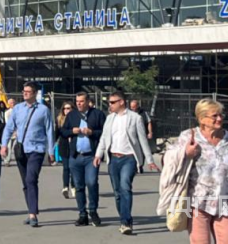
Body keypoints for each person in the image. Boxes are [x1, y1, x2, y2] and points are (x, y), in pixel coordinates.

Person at [159, 98, 228, 244]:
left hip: (227, 199)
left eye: (221, 115)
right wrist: (185, 153)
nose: (219, 119)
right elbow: (166, 160)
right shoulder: (189, 136)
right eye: (214, 116)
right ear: (201, 118)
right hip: (197, 200)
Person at [94, 91, 159, 235]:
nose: (110, 105)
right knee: (117, 192)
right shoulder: (109, 119)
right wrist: (98, 154)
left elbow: (142, 139)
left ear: (121, 102)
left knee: (125, 187)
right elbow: (104, 138)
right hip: (113, 158)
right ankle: (123, 216)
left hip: (129, 158)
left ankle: (126, 222)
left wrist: (149, 160)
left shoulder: (135, 118)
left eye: (112, 102)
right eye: (109, 102)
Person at [1, 81, 55, 228]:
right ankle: (31, 209)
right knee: (26, 182)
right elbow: (9, 128)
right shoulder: (17, 109)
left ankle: (33, 214)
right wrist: (4, 145)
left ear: (35, 93)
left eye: (28, 91)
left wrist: (51, 151)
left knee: (31, 179)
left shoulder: (43, 110)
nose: (24, 93)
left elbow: (49, 130)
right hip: (20, 149)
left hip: (36, 150)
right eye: (23, 91)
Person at [62, 91, 106, 227]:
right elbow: (63, 131)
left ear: (87, 102)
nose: (79, 104)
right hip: (76, 156)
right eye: (77, 101)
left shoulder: (97, 114)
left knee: (92, 183)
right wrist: (72, 131)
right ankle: (82, 214)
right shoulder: (72, 115)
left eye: (81, 101)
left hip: (91, 156)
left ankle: (93, 211)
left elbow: (105, 133)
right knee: (78, 186)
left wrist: (92, 132)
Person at [56, 101, 76, 199]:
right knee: (66, 167)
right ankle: (65, 187)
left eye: (68, 108)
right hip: (64, 146)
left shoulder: (76, 119)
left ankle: (73, 186)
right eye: (65, 108)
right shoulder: (59, 120)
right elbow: (57, 133)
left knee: (73, 168)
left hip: (74, 146)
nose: (66, 110)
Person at [130, 99, 156, 172]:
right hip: (133, 135)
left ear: (137, 106)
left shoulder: (143, 113)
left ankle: (140, 165)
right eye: (131, 107)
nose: (132, 109)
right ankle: (134, 165)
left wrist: (150, 132)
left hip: (142, 135)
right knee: (133, 151)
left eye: (134, 107)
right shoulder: (129, 114)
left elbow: (149, 122)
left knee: (142, 151)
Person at [4, 97, 16, 166]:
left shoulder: (18, 111)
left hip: (17, 132)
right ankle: (7, 161)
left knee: (17, 147)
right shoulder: (7, 113)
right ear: (9, 104)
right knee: (9, 147)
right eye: (11, 103)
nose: (13, 104)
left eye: (13, 102)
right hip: (10, 132)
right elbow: (8, 123)